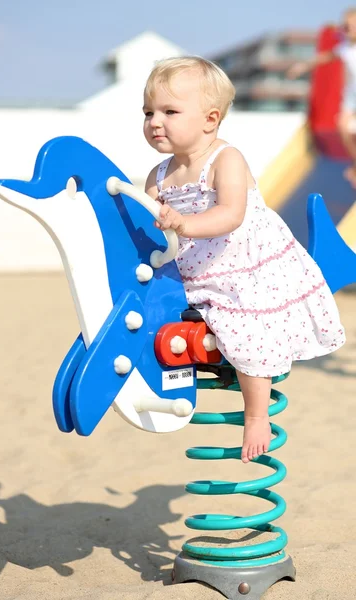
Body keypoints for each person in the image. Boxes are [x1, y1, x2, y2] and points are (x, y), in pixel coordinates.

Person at [142, 56, 346, 463]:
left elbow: (229, 215)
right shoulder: (158, 175)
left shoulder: (226, 160)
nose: (154, 122)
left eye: (169, 111)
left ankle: (256, 416)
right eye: (148, 112)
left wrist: (182, 222)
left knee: (248, 330)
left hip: (247, 266)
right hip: (197, 268)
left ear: (210, 119)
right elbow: (144, 224)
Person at [288, 7, 356, 185]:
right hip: (351, 96)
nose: (347, 30)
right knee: (342, 126)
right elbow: (323, 57)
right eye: (346, 27)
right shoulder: (344, 48)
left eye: (351, 27)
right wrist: (301, 67)